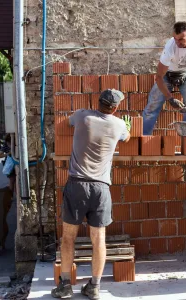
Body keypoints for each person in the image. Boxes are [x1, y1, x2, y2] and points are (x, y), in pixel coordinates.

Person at [51, 89, 131, 299]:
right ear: (115, 108)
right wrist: (126, 126)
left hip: (77, 185)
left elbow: (67, 123)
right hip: (101, 189)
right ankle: (94, 287)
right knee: (99, 239)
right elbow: (127, 136)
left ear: (98, 102)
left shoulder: (81, 116)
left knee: (68, 237)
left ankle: (65, 285)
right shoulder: (119, 124)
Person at [142, 21, 186, 135]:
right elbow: (159, 77)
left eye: (180, 39)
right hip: (167, 74)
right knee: (152, 107)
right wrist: (170, 98)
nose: (177, 42)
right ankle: (142, 140)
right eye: (175, 38)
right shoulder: (170, 46)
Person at [0, 134, 15, 249]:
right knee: (11, 181)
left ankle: (11, 195)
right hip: (10, 165)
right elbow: (0, 155)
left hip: (14, 165)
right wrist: (8, 153)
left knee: (13, 182)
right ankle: (10, 196)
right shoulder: (6, 146)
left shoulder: (15, 143)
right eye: (8, 142)